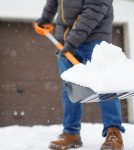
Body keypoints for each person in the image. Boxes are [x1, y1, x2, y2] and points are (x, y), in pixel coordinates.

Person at [35, 0, 125, 149]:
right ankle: (71, 133)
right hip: (65, 39)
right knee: (70, 88)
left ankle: (113, 131)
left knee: (105, 85)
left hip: (94, 38)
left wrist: (71, 43)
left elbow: (94, 10)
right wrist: (45, 18)